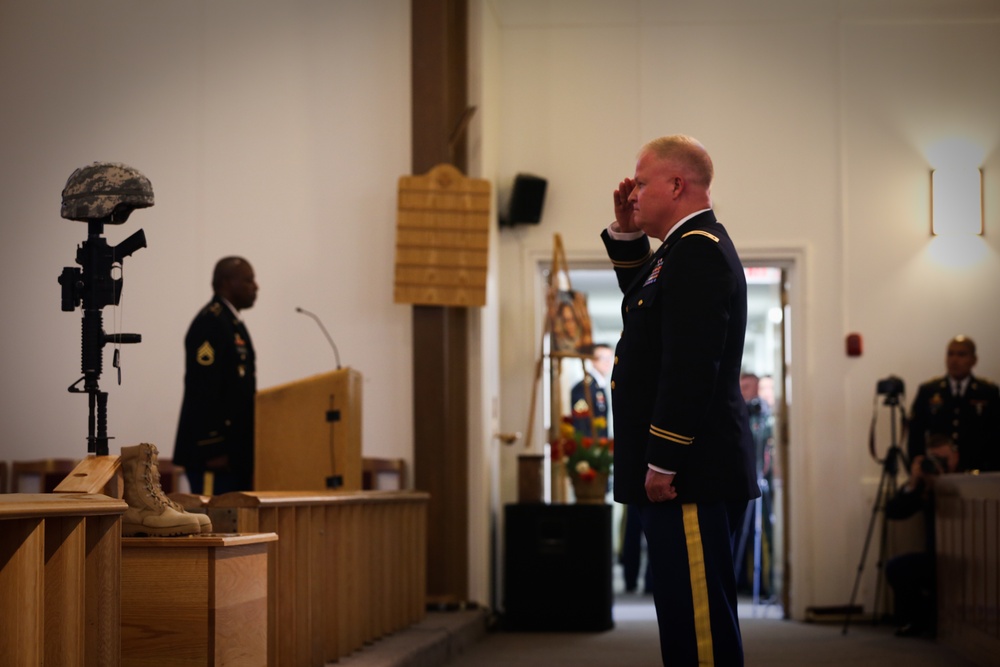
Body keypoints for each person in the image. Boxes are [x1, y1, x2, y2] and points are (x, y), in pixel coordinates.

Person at [602, 134, 759, 666]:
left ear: (677, 184)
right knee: (686, 617)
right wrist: (626, 232)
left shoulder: (698, 251)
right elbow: (647, 303)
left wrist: (662, 459)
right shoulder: (681, 249)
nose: (634, 191)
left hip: (686, 474)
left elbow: (690, 367)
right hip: (682, 474)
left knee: (699, 630)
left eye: (643, 182)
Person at [174, 257, 258, 494]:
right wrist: (213, 447)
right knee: (215, 527)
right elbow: (203, 387)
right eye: (249, 280)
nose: (256, 286)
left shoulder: (231, 323)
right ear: (227, 282)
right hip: (214, 457)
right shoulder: (211, 322)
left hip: (233, 455)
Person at [885, 434, 960, 638]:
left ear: (955, 457)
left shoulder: (969, 483)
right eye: (933, 459)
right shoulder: (924, 485)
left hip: (970, 558)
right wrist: (914, 483)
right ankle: (919, 621)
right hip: (936, 557)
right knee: (897, 568)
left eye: (942, 459)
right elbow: (893, 512)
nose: (937, 464)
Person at [907, 335, 1000, 472]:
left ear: (973, 360)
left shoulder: (988, 392)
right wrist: (919, 464)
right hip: (938, 472)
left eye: (961, 355)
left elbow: (995, 434)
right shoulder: (929, 391)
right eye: (950, 354)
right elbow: (916, 433)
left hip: (978, 470)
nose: (954, 360)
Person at [735, 373, 775, 599]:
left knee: (761, 534)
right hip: (737, 484)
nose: (743, 391)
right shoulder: (735, 413)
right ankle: (740, 579)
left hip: (760, 483)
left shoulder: (764, 416)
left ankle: (763, 585)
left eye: (747, 387)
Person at [570, 343, 613, 437]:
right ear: (593, 360)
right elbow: (581, 424)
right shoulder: (584, 387)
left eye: (610, 358)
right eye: (603, 358)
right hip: (590, 447)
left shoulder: (599, 385)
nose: (608, 362)